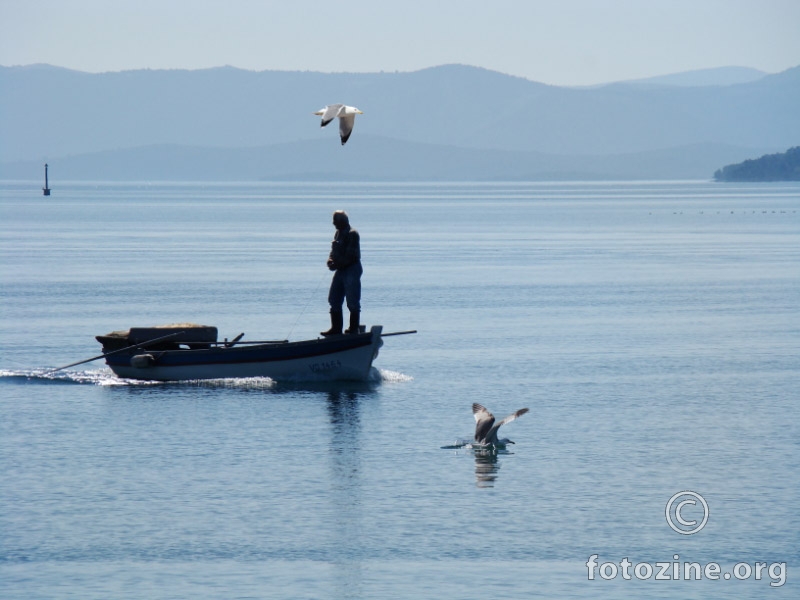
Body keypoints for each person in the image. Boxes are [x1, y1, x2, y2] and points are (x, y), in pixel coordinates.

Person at [321, 210, 363, 336]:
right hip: (341, 270)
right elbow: (333, 253)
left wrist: (337, 265)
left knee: (352, 301)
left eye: (335, 221)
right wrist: (330, 261)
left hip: (352, 270)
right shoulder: (337, 234)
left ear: (342, 221)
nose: (333, 223)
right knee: (334, 299)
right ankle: (336, 329)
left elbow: (351, 256)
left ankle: (353, 328)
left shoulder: (352, 234)